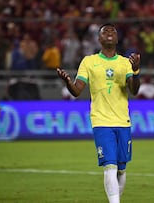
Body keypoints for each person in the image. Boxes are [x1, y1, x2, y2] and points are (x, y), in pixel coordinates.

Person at [56, 23, 140, 203]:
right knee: (109, 166)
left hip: (122, 121)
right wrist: (68, 82)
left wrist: (135, 71)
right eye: (105, 31)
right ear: (99, 39)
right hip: (101, 121)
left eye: (113, 31)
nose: (109, 33)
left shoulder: (125, 62)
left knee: (121, 169)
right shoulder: (89, 61)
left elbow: (134, 90)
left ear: (117, 39)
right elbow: (77, 90)